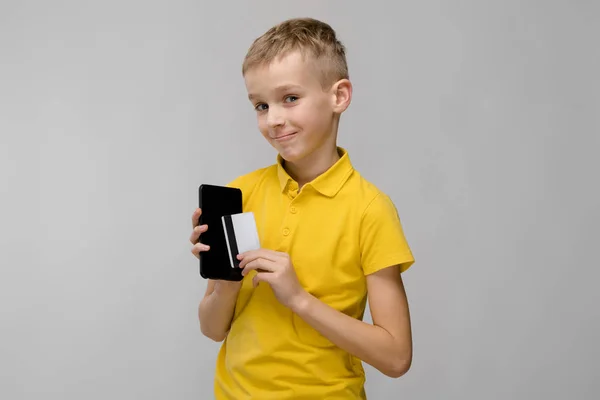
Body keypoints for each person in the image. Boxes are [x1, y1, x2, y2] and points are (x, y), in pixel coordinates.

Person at [189, 17, 415, 399]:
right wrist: (225, 285)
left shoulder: (370, 209)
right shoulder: (240, 193)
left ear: (338, 96)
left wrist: (298, 300)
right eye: (261, 105)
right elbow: (213, 330)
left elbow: (396, 357)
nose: (273, 119)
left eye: (290, 98)